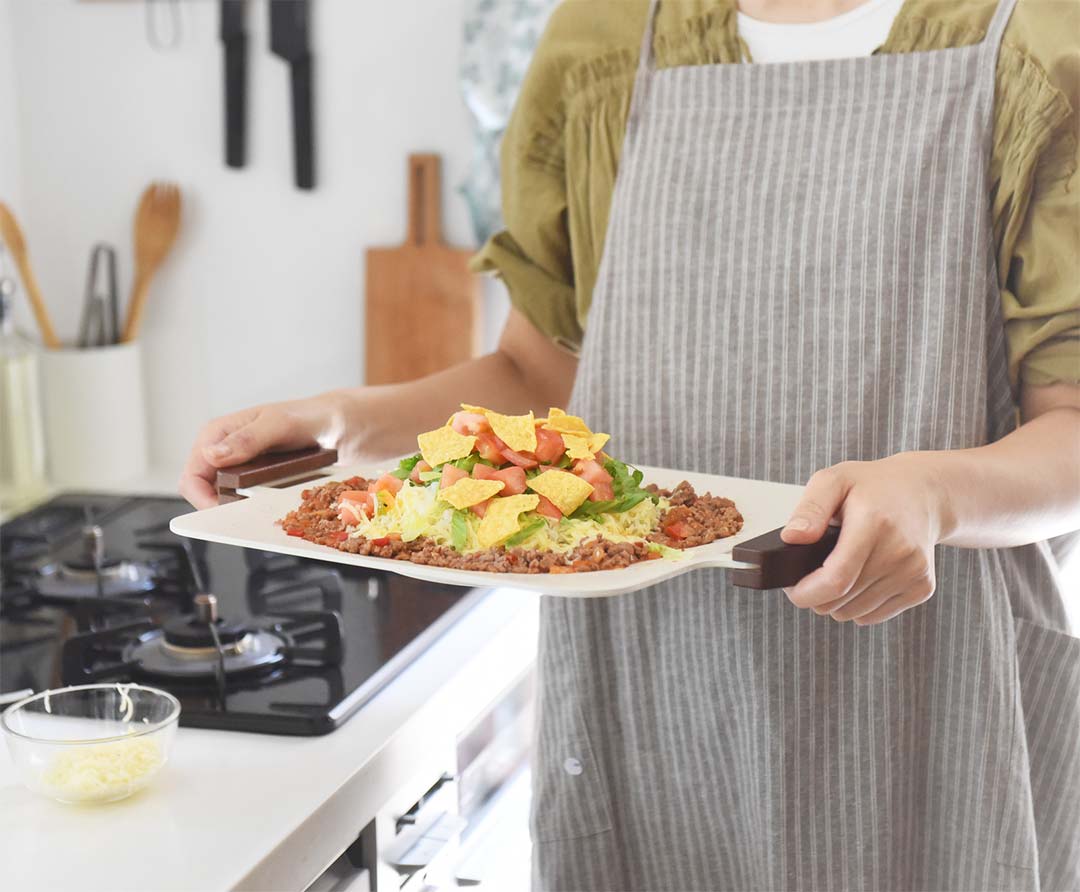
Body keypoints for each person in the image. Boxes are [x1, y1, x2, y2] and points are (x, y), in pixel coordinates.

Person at [182, 0, 1080, 888]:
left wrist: (935, 493)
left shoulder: (1037, 40)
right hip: (649, 694)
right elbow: (538, 376)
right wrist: (345, 424)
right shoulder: (606, 39)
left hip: (939, 688)